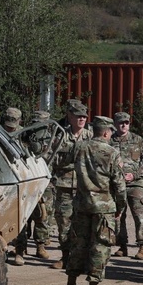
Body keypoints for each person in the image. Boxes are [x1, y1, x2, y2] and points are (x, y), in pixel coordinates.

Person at [65, 116, 126, 285]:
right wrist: (120, 206)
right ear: (106, 132)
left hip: (82, 204)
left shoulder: (79, 147)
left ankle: (71, 284)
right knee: (101, 245)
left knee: (78, 243)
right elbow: (119, 185)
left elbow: (66, 163)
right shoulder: (112, 152)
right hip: (103, 206)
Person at [51, 99, 92, 269]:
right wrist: (72, 157)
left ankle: (84, 257)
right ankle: (66, 256)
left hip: (85, 187)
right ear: (70, 116)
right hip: (64, 186)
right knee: (64, 222)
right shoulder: (60, 135)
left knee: (84, 224)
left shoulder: (91, 136)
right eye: (78, 116)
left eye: (84, 116)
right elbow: (54, 159)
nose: (82, 119)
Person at [11, 109, 54, 265]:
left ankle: (40, 246)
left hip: (46, 180)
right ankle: (20, 250)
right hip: (27, 179)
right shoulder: (23, 136)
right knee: (22, 216)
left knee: (43, 216)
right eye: (36, 123)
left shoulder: (53, 138)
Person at [110, 111, 143, 260]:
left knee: (139, 215)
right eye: (121, 122)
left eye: (126, 122)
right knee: (118, 215)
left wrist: (136, 174)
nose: (124, 125)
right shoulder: (109, 141)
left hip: (135, 183)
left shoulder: (137, 140)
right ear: (115, 124)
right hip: (116, 184)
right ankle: (122, 246)